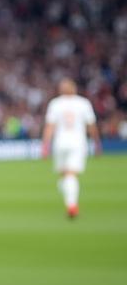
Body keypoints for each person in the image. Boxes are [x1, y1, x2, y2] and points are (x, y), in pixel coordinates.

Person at [41, 78, 100, 218]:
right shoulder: (83, 103)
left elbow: (49, 126)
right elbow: (91, 125)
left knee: (66, 174)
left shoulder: (55, 104)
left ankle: (71, 203)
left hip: (60, 142)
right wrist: (97, 142)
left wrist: (45, 145)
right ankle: (71, 202)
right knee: (70, 175)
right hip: (78, 143)